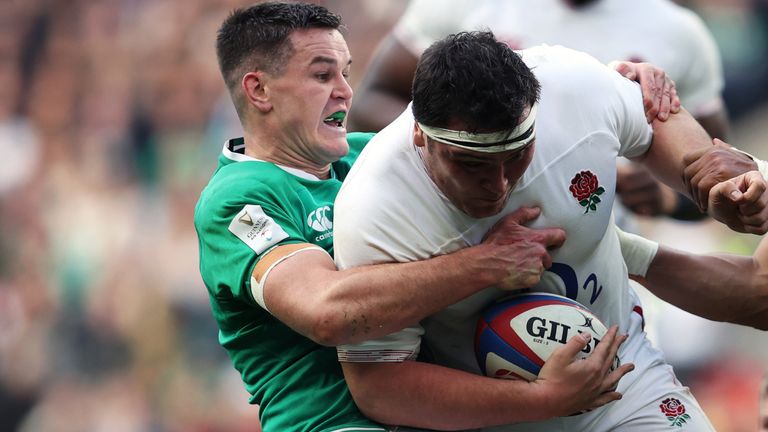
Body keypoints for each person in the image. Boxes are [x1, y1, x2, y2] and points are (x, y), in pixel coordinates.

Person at [195, 3, 674, 431]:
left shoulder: (368, 159)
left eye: (346, 72)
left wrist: (615, 88)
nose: (345, 91)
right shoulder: (238, 201)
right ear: (258, 90)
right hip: (334, 422)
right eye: (322, 76)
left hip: (435, 411)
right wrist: (486, 264)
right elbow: (327, 311)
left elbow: (482, 131)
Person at [332, 31, 766, 431]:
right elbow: (378, 385)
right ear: (420, 137)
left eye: (518, 155)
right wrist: (541, 400)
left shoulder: (571, 89)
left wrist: (711, 182)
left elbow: (660, 120)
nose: (499, 184)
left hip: (626, 380)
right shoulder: (375, 211)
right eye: (472, 164)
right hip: (492, 420)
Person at [348, 0, 727, 221]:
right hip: (459, 237)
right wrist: (471, 151)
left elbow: (714, 176)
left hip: (602, 265)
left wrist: (665, 198)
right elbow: (370, 103)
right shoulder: (460, 4)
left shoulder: (679, 32)